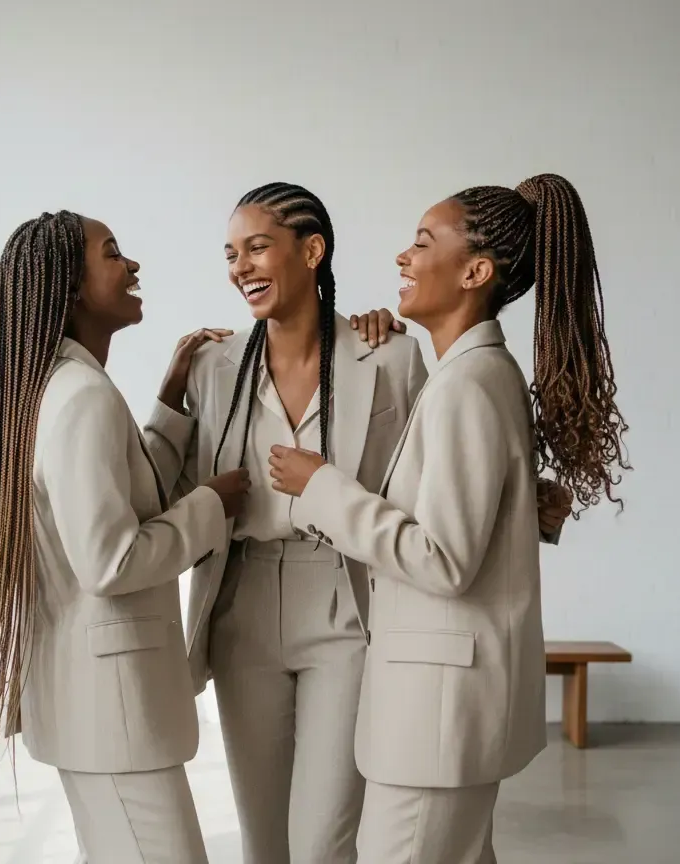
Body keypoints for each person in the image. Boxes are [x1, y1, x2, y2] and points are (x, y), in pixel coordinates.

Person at [147, 182, 572, 864]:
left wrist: (529, 498)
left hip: (349, 603)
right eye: (231, 253)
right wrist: (169, 399)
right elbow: (163, 491)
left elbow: (439, 482)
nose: (241, 267)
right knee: (264, 842)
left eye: (258, 247)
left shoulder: (391, 354)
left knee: (323, 842)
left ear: (311, 251)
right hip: (241, 603)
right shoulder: (210, 365)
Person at [0, 211, 250, 864]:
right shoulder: (82, 399)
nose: (132, 266)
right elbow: (111, 560)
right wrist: (213, 504)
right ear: (71, 286)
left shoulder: (56, 390)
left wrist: (168, 402)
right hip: (113, 711)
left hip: (91, 704)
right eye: (112, 253)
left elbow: (122, 501)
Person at [269, 174, 629, 863]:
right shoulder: (469, 376)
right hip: (437, 708)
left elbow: (443, 559)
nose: (404, 257)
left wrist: (322, 488)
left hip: (434, 716)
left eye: (423, 242)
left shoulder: (469, 383)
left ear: (475, 271)